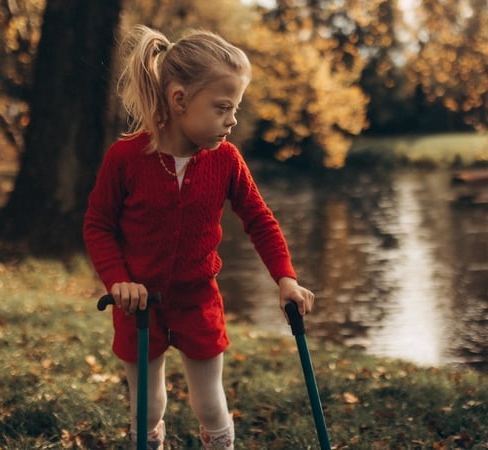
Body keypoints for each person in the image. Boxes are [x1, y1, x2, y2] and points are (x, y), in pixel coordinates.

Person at [83, 25, 315, 450]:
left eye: (236, 107)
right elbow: (98, 225)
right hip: (139, 304)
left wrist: (285, 277)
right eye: (223, 107)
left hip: (198, 299)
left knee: (210, 404)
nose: (233, 119)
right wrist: (118, 280)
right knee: (147, 407)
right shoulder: (126, 159)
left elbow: (259, 219)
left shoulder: (226, 159)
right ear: (179, 100)